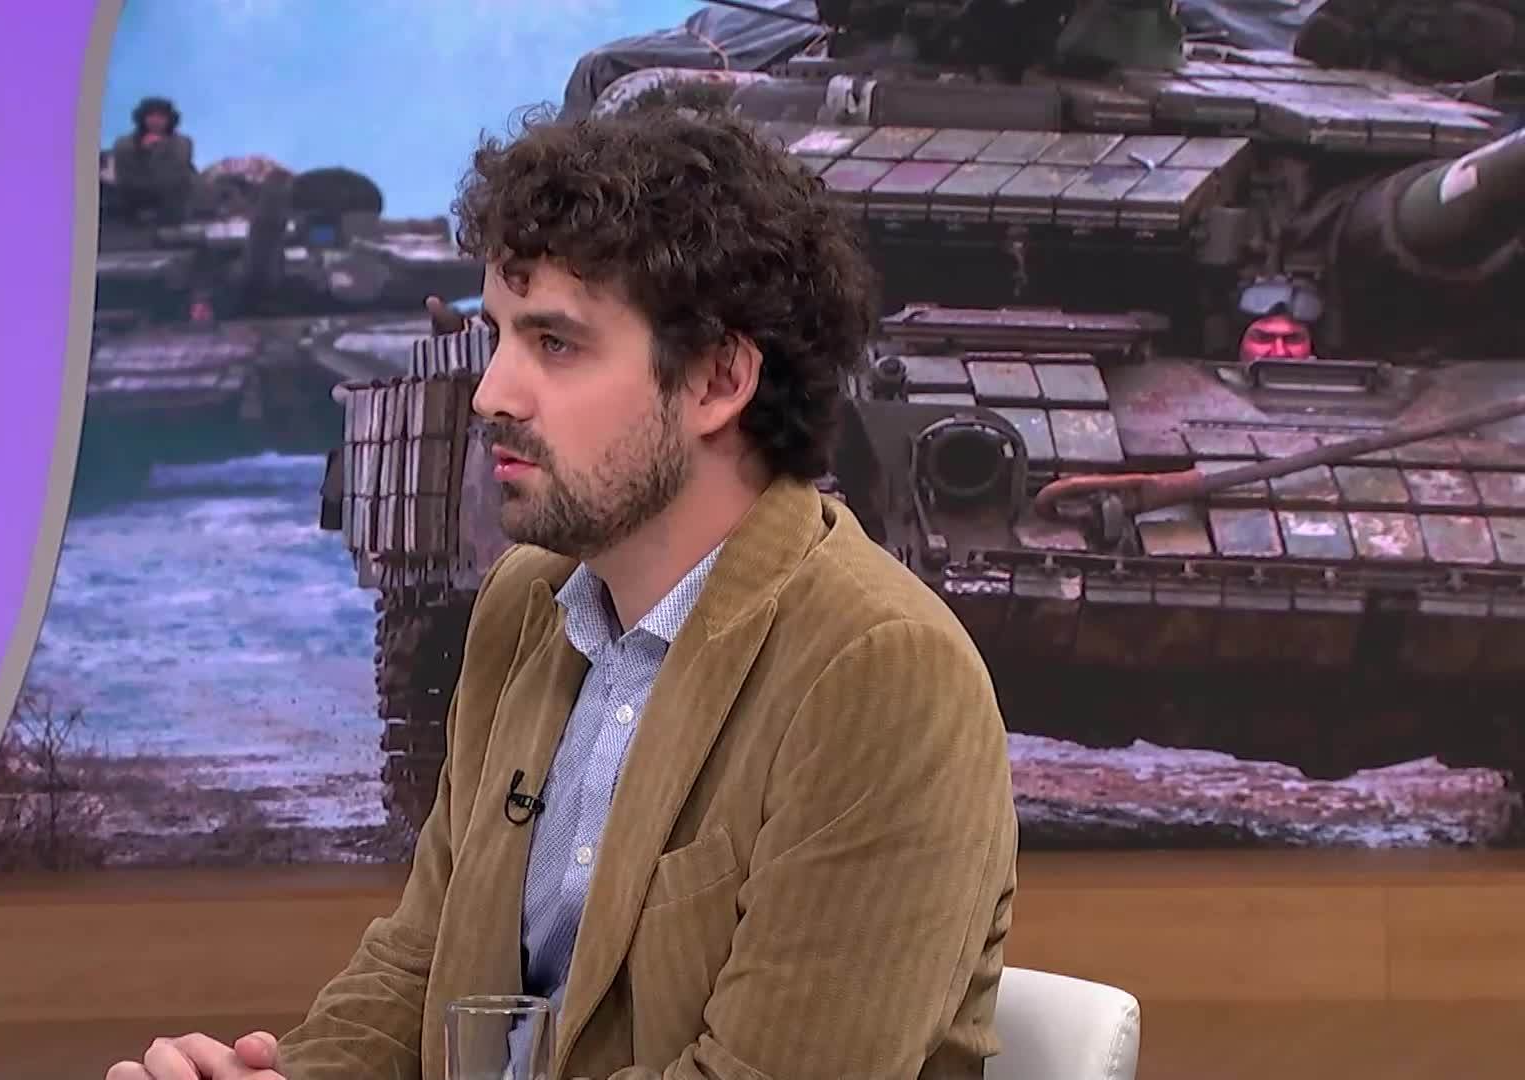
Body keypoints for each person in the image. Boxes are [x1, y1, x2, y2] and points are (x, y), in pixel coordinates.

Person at [108, 105, 1018, 1080]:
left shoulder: (880, 674)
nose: (491, 393)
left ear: (717, 380)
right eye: (498, 335)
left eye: (555, 343)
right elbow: (419, 972)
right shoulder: (525, 607)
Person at [110, 96, 198, 224]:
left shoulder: (183, 143)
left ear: (170, 119)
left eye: (161, 116)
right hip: (135, 204)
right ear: (142, 117)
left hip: (174, 207)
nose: (156, 121)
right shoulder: (124, 143)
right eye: (151, 115)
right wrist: (142, 151)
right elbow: (125, 176)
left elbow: (183, 172)